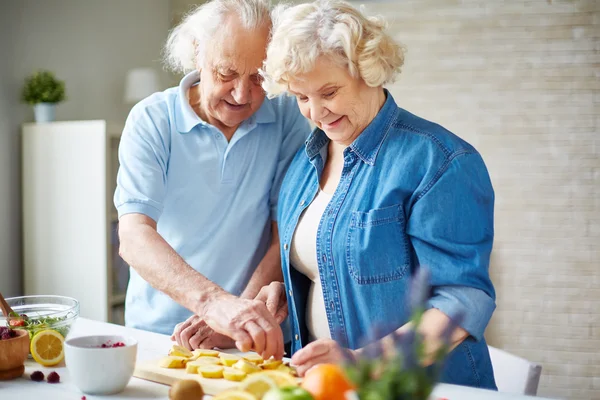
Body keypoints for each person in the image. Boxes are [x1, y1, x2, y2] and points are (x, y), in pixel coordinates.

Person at [255, 0, 498, 388]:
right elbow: (336, 264)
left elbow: (462, 300)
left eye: (329, 92)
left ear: (368, 70)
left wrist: (362, 362)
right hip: (329, 387)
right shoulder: (304, 164)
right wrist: (286, 289)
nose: (316, 113)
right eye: (301, 97)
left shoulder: (440, 161)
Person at [113, 0, 310, 360]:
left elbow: (285, 229)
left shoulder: (287, 117)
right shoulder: (152, 120)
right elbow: (134, 236)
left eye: (259, 77)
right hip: (162, 331)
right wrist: (214, 305)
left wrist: (240, 315)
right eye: (227, 73)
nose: (242, 95)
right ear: (196, 53)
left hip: (251, 334)